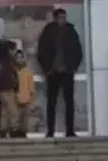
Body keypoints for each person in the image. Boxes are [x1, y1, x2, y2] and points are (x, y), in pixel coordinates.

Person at [36, 8, 84, 138]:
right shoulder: (48, 32)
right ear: (55, 18)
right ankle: (50, 131)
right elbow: (41, 52)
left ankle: (70, 130)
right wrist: (47, 69)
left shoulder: (70, 31)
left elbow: (78, 51)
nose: (63, 20)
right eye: (60, 17)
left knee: (69, 103)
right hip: (53, 72)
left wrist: (73, 68)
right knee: (51, 103)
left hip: (67, 72)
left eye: (64, 17)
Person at [0, 40, 34, 138]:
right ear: (9, 50)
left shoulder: (1, 62)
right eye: (14, 50)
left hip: (2, 91)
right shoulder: (9, 63)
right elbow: (11, 77)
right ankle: (14, 130)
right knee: (13, 112)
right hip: (8, 90)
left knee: (4, 112)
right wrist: (15, 85)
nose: (15, 52)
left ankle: (3, 130)